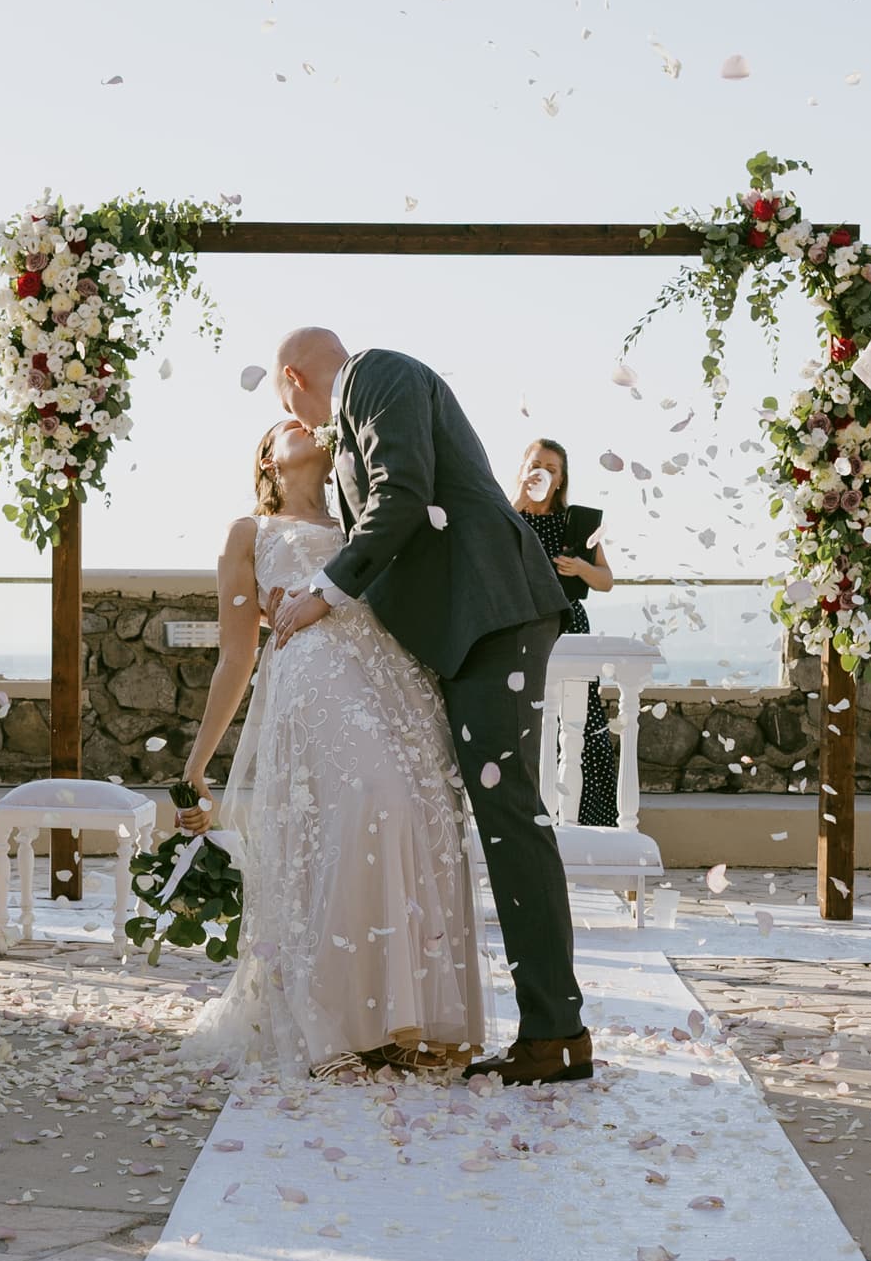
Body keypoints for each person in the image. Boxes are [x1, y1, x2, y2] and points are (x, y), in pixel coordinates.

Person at [269, 328, 585, 1084]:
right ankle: (552, 1030)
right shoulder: (348, 422)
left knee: (510, 815)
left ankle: (556, 1032)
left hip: (492, 613)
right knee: (501, 815)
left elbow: (402, 494)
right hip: (464, 630)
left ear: (291, 378)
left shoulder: (377, 374)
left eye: (284, 401)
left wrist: (322, 592)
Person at [173, 419, 490, 1079]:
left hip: (394, 681)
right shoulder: (249, 533)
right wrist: (197, 765)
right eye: (283, 424)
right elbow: (236, 654)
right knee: (372, 804)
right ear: (268, 459)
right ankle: (335, 1022)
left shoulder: (367, 512)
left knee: (425, 815)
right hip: (315, 679)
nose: (302, 423)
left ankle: (408, 1021)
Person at [508, 439, 619, 825]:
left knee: (578, 718)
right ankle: (530, 812)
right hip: (520, 626)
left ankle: (586, 817)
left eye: (552, 469)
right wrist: (518, 502)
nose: (542, 473)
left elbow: (606, 580)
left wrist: (580, 569)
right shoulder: (504, 515)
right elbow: (483, 555)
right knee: (524, 717)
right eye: (536, 464)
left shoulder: (578, 521)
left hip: (569, 626)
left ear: (560, 480)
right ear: (523, 468)